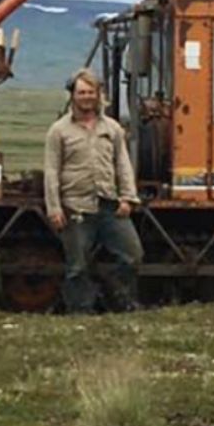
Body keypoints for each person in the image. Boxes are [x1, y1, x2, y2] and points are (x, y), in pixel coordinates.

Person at [44, 68, 143, 313]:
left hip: (109, 204)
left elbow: (123, 164)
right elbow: (51, 170)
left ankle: (120, 299)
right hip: (75, 207)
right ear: (72, 95)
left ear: (99, 95)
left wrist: (128, 198)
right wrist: (54, 208)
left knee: (132, 255)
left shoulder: (112, 128)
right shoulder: (59, 131)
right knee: (77, 265)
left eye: (91, 92)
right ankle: (80, 310)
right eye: (81, 92)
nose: (86, 97)